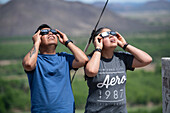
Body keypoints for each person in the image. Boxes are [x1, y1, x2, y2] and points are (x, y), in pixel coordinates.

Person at [22, 24, 88, 113]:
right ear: (38, 37)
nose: (51, 34)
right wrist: (36, 43)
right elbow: (28, 65)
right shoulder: (36, 60)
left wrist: (67, 42)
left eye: (53, 32)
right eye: (45, 32)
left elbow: (83, 60)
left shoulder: (64, 58)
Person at [84, 27, 152, 113]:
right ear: (98, 40)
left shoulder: (121, 58)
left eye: (113, 34)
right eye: (106, 35)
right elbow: (91, 71)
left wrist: (125, 45)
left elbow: (147, 60)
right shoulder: (92, 59)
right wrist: (98, 49)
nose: (111, 36)